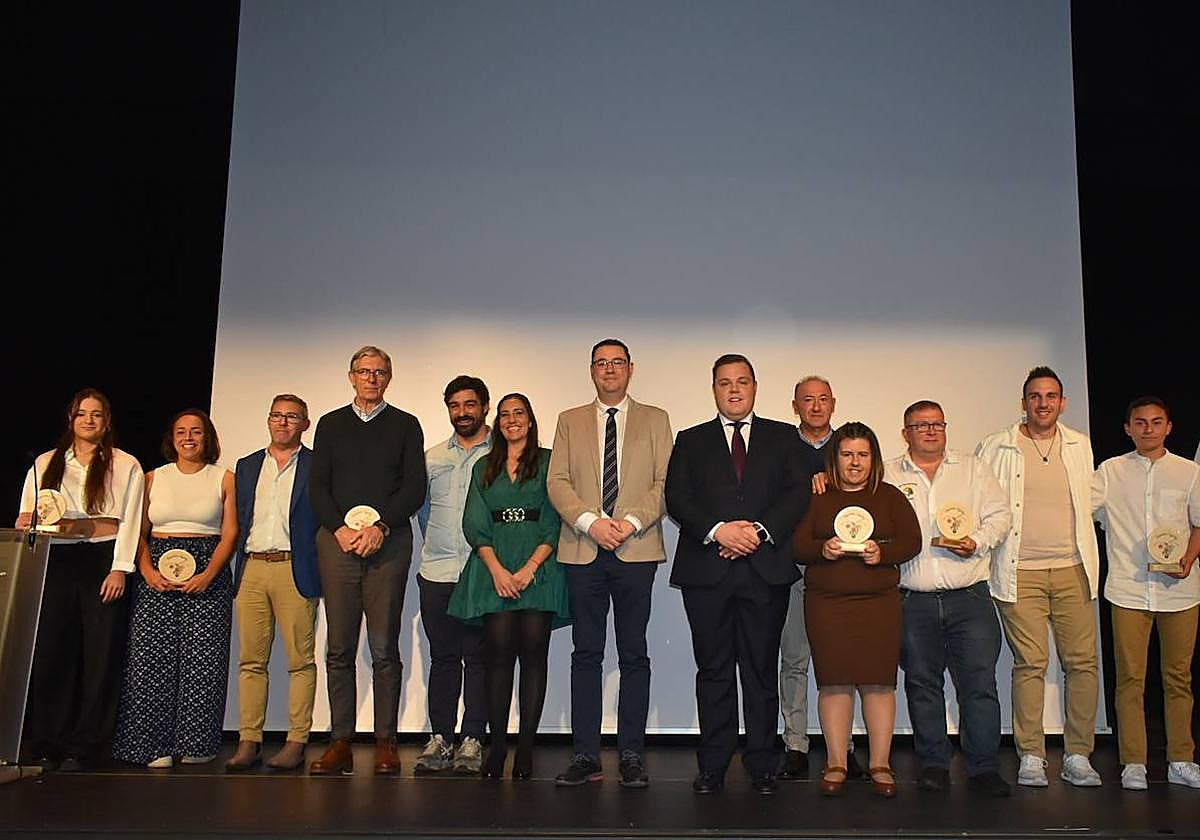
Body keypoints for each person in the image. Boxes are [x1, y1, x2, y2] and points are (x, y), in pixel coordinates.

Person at [665, 354, 809, 796]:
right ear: (714, 389)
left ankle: (763, 763)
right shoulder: (691, 440)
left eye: (742, 382)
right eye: (724, 383)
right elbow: (677, 497)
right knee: (713, 671)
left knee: (761, 671)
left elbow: (796, 491)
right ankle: (712, 765)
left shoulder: (784, 437)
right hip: (706, 573)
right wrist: (719, 531)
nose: (733, 390)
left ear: (754, 387)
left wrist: (758, 532)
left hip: (764, 572)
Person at [546, 339, 673, 788]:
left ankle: (632, 753)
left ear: (630, 369)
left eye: (617, 362)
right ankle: (585, 754)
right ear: (592, 370)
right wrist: (591, 523)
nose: (610, 369)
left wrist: (631, 522)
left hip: (636, 551)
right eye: (602, 363)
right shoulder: (569, 420)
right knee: (586, 652)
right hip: (583, 550)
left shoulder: (656, 419)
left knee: (634, 653)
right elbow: (557, 481)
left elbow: (664, 483)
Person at [976, 366, 1103, 787]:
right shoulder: (997, 446)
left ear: (1062, 403)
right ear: (1024, 402)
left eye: (1051, 396)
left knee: (1083, 664)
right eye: (1035, 396)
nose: (1043, 403)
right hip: (1019, 571)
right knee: (1031, 663)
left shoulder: (1080, 446)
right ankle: (1031, 754)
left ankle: (1079, 754)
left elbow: (1096, 505)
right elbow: (978, 503)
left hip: (1073, 569)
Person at [883, 401, 1012, 797]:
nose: (930, 431)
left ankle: (984, 766)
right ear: (906, 432)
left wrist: (978, 543)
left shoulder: (973, 468)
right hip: (913, 599)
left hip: (970, 597)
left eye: (937, 424)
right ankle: (934, 763)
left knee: (979, 684)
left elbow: (1001, 516)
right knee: (922, 684)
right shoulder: (887, 474)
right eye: (920, 426)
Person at [308, 345, 426, 776]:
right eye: (364, 371)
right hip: (337, 544)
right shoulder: (330, 424)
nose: (372, 378)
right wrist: (339, 528)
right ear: (351, 376)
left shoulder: (405, 425)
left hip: (388, 546)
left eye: (379, 372)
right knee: (338, 647)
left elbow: (414, 487)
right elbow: (318, 486)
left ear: (388, 378)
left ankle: (385, 742)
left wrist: (381, 527)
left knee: (383, 647)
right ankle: (340, 740)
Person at [16, 388, 144, 771]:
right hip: (56, 560)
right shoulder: (45, 462)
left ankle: (86, 744)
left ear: (107, 422)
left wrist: (120, 567)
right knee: (53, 652)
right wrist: (27, 523)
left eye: (97, 414)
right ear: (70, 419)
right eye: (81, 414)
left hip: (102, 560)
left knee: (99, 655)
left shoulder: (125, 464)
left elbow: (132, 518)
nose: (88, 420)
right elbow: (28, 515)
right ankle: (46, 739)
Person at [793, 422, 921, 798]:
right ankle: (837, 763)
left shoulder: (891, 497)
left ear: (874, 458)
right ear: (835, 458)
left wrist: (885, 553)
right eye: (847, 454)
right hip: (827, 606)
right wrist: (822, 550)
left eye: (862, 454)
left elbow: (911, 541)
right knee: (834, 682)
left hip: (879, 605)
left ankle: (880, 763)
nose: (855, 462)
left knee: (879, 683)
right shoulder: (817, 496)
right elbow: (797, 545)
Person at [448, 393, 569, 779]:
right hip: (493, 571)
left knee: (534, 657)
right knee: (498, 659)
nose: (512, 420)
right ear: (497, 422)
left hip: (540, 569)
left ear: (531, 421)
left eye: (519, 413)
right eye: (504, 415)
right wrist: (498, 571)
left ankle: (527, 749)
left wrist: (531, 567)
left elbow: (555, 518)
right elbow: (474, 523)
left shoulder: (551, 462)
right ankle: (498, 747)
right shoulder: (484, 466)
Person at [112, 409, 238, 768]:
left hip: (207, 569)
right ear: (172, 438)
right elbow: (138, 528)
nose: (189, 437)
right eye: (181, 431)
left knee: (204, 660)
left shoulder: (224, 478)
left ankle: (196, 743)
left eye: (196, 431)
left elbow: (230, 532)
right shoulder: (152, 477)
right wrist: (147, 569)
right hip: (158, 570)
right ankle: (152, 745)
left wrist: (210, 573)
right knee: (151, 658)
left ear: (207, 437)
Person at [1091, 396, 1200, 790]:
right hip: (1128, 589)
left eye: (1156, 422)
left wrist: (1188, 557)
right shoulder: (1110, 472)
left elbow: (1198, 523)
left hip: (1180, 591)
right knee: (1129, 679)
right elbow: (1085, 512)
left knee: (1178, 679)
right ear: (1127, 428)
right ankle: (1133, 761)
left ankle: (1181, 759)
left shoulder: (1189, 473)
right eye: (1140, 423)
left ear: (1169, 427)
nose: (1148, 429)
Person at [225, 394, 321, 772]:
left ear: (305, 424)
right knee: (251, 661)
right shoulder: (247, 466)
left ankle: (297, 741)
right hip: (251, 569)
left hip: (293, 568)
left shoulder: (317, 465)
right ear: (268, 420)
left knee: (301, 661)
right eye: (277, 415)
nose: (283, 422)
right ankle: (249, 740)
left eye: (292, 417)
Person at [779, 374, 857, 781]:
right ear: (795, 406)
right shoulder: (780, 446)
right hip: (795, 565)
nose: (815, 406)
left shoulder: (850, 448)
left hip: (842, 568)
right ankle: (795, 743)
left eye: (822, 399)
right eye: (806, 399)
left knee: (840, 660)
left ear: (833, 403)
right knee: (795, 657)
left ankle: (842, 746)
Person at [413, 375, 492, 776]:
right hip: (438, 571)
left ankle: (473, 738)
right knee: (444, 658)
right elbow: (423, 513)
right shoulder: (431, 459)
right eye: (455, 405)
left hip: (483, 573)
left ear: (484, 407)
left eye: (470, 405)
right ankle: (441, 737)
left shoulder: (502, 455)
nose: (462, 413)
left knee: (479, 659)